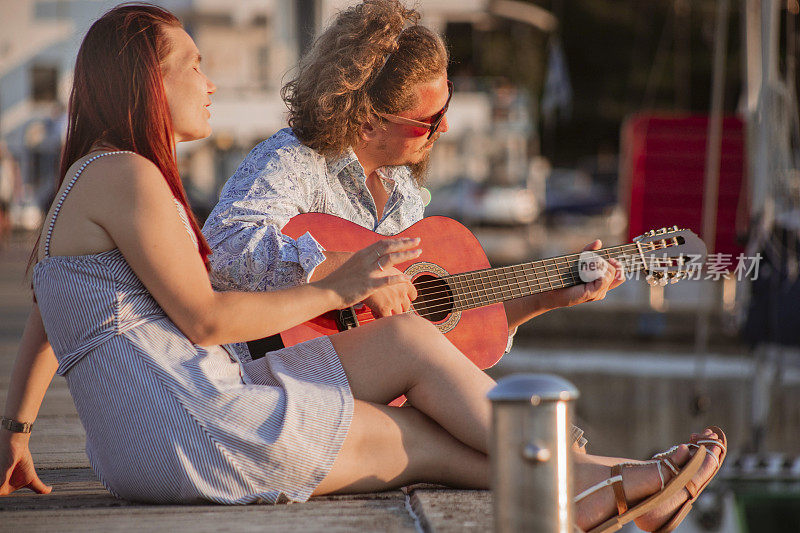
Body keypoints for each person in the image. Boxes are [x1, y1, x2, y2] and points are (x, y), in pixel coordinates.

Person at [0, 5, 726, 533]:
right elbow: (206, 315)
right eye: (194, 64)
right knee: (419, 432)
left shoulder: (91, 177)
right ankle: (619, 482)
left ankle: (608, 486)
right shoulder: (126, 174)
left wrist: (17, 430)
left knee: (416, 375)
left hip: (163, 431)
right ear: (145, 84)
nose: (211, 80)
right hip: (192, 427)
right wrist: (337, 284)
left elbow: (46, 303)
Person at [202, 0, 620, 369]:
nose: (446, 126)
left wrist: (546, 298)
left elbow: (440, 339)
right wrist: (347, 270)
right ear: (367, 123)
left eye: (446, 105)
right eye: (430, 121)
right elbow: (222, 248)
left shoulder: (402, 192)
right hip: (276, 376)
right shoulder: (292, 160)